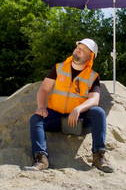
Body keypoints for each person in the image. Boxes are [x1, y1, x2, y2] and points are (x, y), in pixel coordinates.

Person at [25, 38, 114, 173]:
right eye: (78, 46)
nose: (78, 49)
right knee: (36, 119)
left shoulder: (93, 76)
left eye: (83, 49)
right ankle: (40, 159)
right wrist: (41, 107)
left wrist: (78, 109)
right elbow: (44, 89)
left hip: (79, 119)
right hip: (55, 115)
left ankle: (98, 156)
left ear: (90, 57)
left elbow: (94, 99)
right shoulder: (58, 68)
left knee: (98, 112)